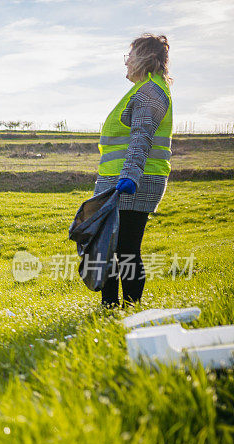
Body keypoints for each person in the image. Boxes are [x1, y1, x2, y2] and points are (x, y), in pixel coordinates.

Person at [93, 34, 173, 307]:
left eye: (130, 55)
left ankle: (125, 308)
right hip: (121, 178)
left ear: (145, 58)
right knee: (110, 247)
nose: (126, 62)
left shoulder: (150, 92)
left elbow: (141, 138)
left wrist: (129, 176)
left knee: (123, 248)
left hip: (132, 179)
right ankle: (113, 307)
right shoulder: (144, 89)